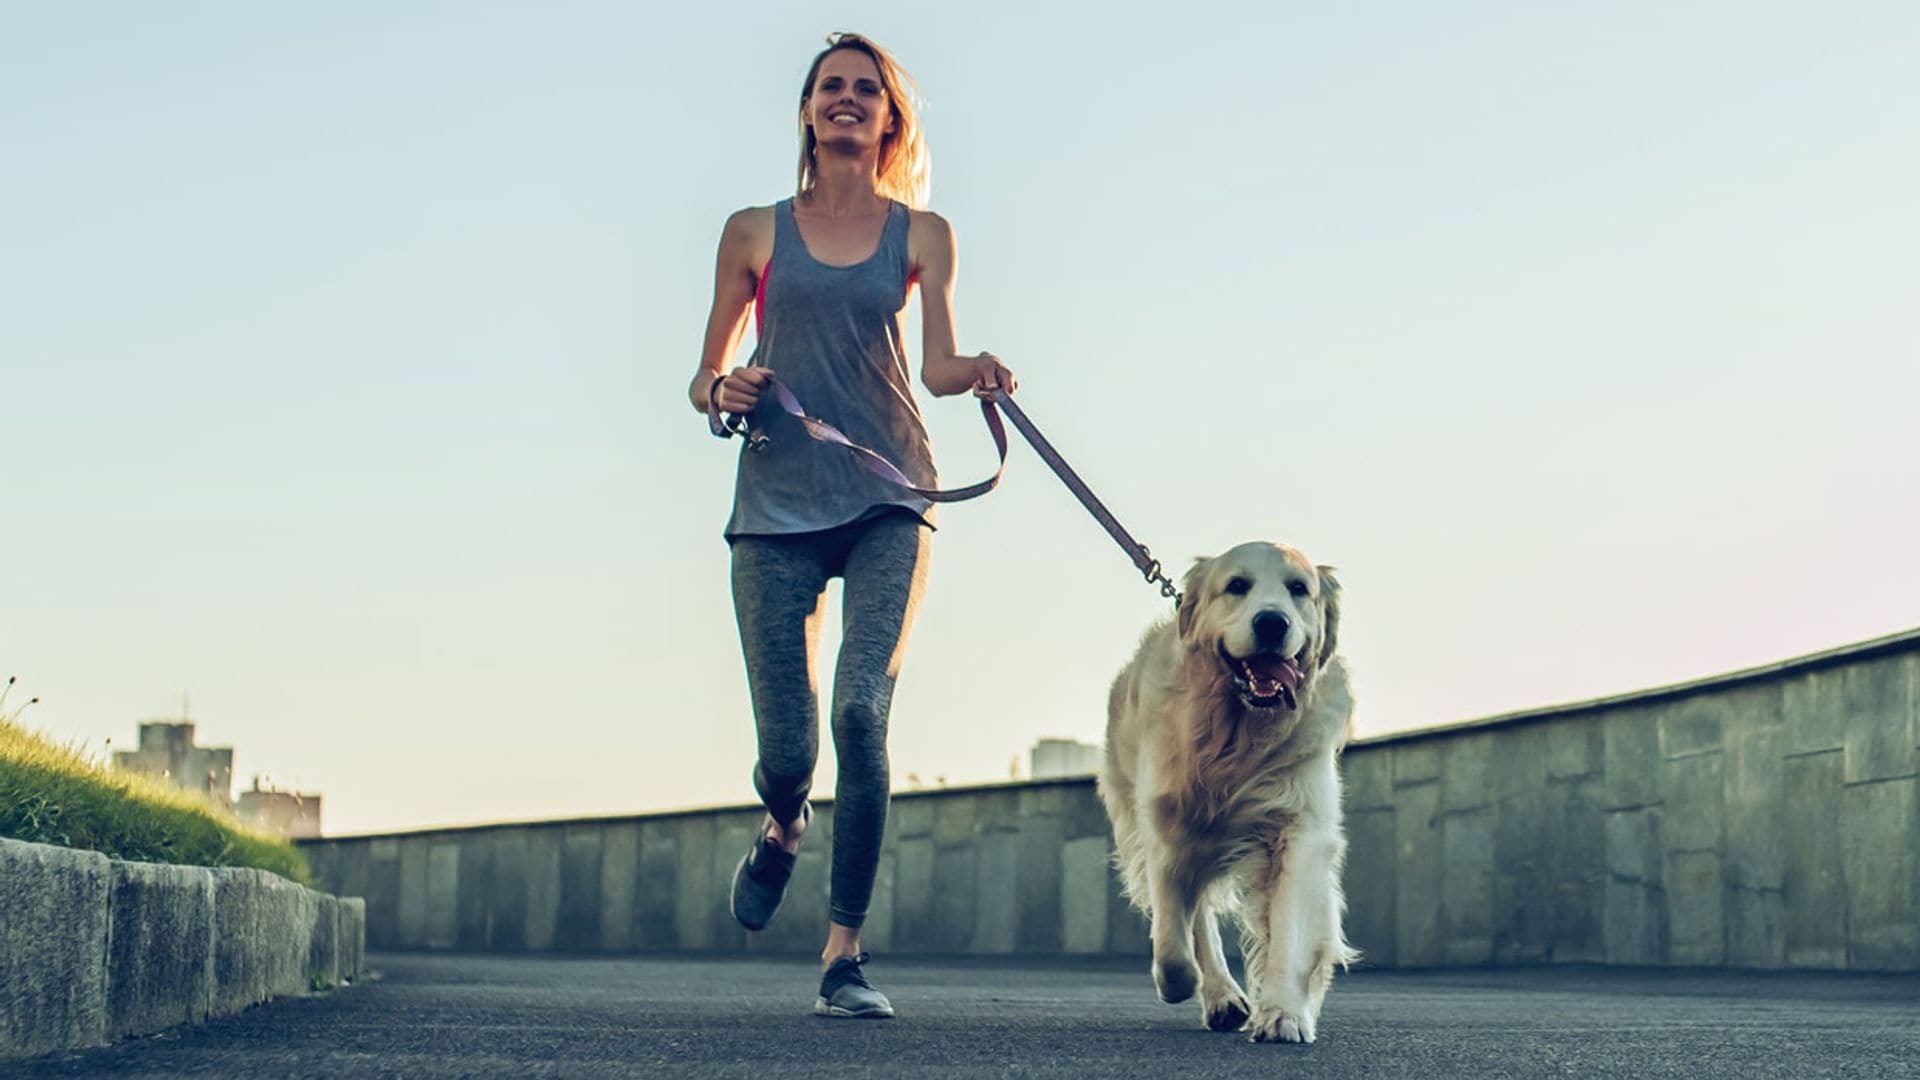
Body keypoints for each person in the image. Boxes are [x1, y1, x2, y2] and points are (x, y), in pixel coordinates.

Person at [687, 32, 1015, 1019]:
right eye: (830, 87)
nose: (845, 99)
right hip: (775, 506)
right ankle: (783, 826)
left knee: (863, 712)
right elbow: (704, 374)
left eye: (864, 90)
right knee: (789, 753)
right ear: (808, 111)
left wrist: (984, 374)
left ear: (888, 119)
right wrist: (725, 385)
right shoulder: (752, 231)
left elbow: (938, 366)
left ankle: (844, 956)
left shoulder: (922, 234)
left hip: (888, 495)